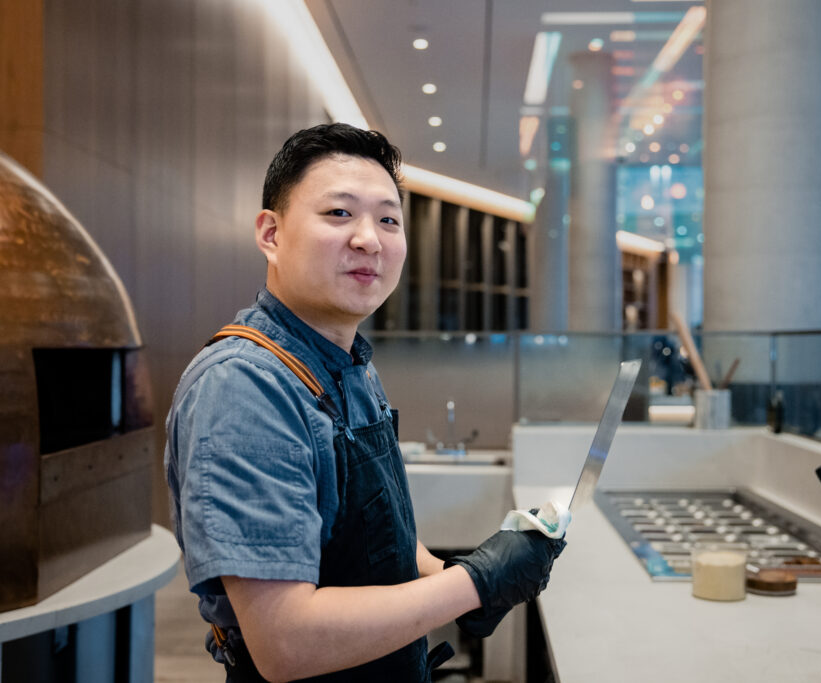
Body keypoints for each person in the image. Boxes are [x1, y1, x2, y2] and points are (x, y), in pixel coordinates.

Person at [165, 123, 565, 683]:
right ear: (271, 234)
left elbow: (383, 541)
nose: (369, 240)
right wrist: (472, 583)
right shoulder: (245, 387)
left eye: (388, 220)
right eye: (338, 214)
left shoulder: (352, 364)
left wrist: (462, 575)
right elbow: (284, 640)